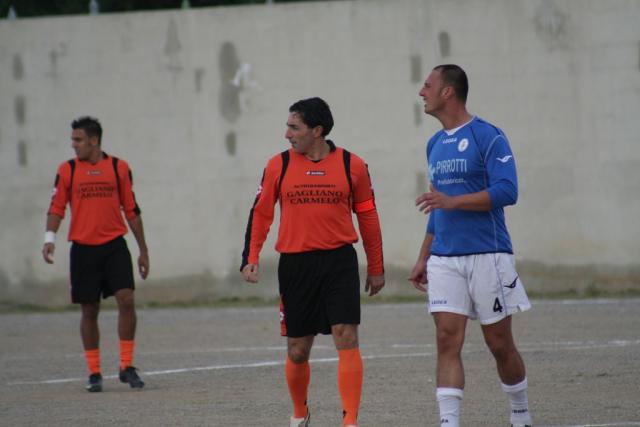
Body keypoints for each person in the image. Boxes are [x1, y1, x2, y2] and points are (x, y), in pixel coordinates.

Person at [240, 97, 385, 427]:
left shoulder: (352, 165)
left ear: (316, 131)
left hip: (339, 263)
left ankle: (350, 422)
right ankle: (299, 414)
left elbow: (368, 216)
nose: (287, 134)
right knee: (297, 350)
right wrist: (251, 257)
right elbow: (261, 213)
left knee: (346, 335)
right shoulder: (278, 165)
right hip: (296, 265)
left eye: (294, 127)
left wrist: (376, 266)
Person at [408, 65, 533, 427]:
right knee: (447, 340)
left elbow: (507, 191)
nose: (422, 92)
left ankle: (521, 413)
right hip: (445, 259)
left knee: (499, 343)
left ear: (448, 92)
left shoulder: (488, 136)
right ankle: (449, 423)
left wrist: (453, 201)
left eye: (428, 85)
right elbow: (437, 207)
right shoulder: (434, 144)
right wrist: (423, 256)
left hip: (488, 255)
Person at [42, 116, 149, 392]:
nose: (73, 145)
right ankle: (94, 372)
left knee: (127, 299)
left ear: (93, 140)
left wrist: (143, 250)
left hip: (114, 245)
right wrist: (49, 238)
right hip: (83, 248)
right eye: (73, 140)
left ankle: (126, 366)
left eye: (78, 140)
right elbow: (56, 206)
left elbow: (132, 210)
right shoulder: (67, 170)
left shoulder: (118, 167)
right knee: (89, 309)